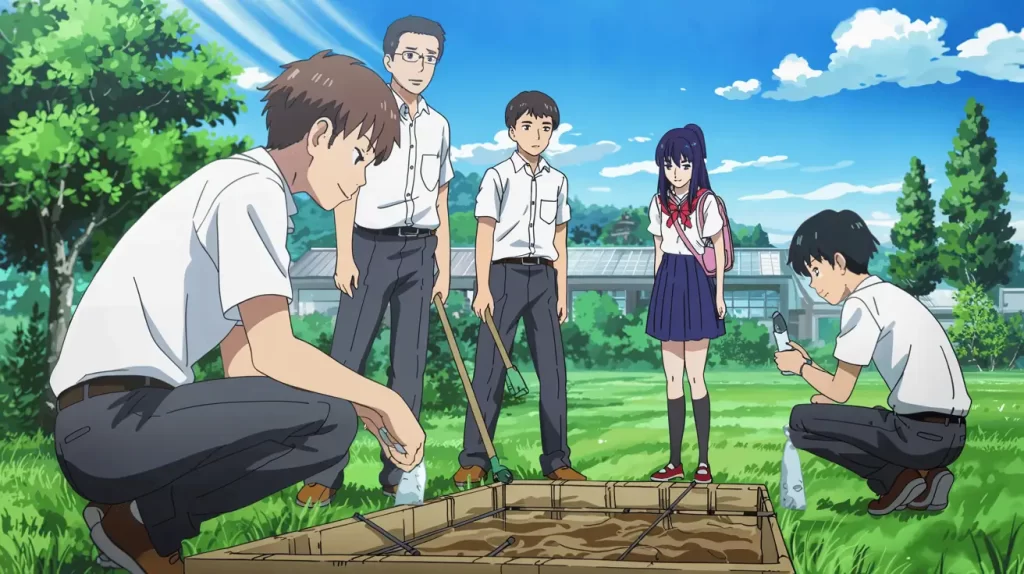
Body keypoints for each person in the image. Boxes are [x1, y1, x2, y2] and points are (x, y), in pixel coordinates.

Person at [48, 51, 424, 574]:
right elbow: (277, 349)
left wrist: (353, 399)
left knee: (333, 417)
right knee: (330, 419)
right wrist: (385, 399)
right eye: (360, 156)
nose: (361, 180)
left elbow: (246, 368)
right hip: (111, 425)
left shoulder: (242, 186)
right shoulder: (252, 190)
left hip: (108, 425)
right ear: (318, 137)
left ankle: (137, 523)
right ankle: (144, 524)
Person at [301, 16, 453, 506]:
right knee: (347, 361)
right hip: (368, 247)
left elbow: (443, 200)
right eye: (411, 55)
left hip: (420, 250)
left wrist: (444, 267)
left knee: (407, 367)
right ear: (389, 60)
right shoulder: (366, 115)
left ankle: (398, 472)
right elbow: (348, 186)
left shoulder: (439, 126)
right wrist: (344, 252)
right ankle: (326, 470)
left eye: (430, 58)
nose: (420, 66)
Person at [775, 209, 970, 516]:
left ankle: (897, 479)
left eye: (815, 271)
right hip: (954, 434)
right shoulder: (891, 295)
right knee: (871, 417)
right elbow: (841, 388)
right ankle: (929, 476)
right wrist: (813, 370)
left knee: (801, 422)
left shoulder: (860, 303)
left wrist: (799, 366)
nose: (814, 284)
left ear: (839, 262)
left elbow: (841, 391)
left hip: (918, 436)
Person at [452, 91, 586, 486]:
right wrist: (481, 288)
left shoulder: (558, 181)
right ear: (512, 130)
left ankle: (558, 460)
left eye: (545, 128)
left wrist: (563, 291)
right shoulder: (497, 176)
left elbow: (560, 239)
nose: (537, 135)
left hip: (544, 277)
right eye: (528, 126)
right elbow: (484, 234)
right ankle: (475, 456)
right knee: (490, 370)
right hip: (503, 277)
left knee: (553, 372)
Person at [645, 125, 730, 485]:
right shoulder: (658, 203)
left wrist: (719, 294)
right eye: (669, 165)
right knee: (672, 379)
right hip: (668, 282)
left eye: (683, 165)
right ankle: (675, 461)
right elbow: (658, 249)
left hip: (696, 283)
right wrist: (656, 289)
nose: (675, 173)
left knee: (696, 376)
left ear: (697, 164)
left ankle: (704, 462)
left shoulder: (707, 202)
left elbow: (719, 250)